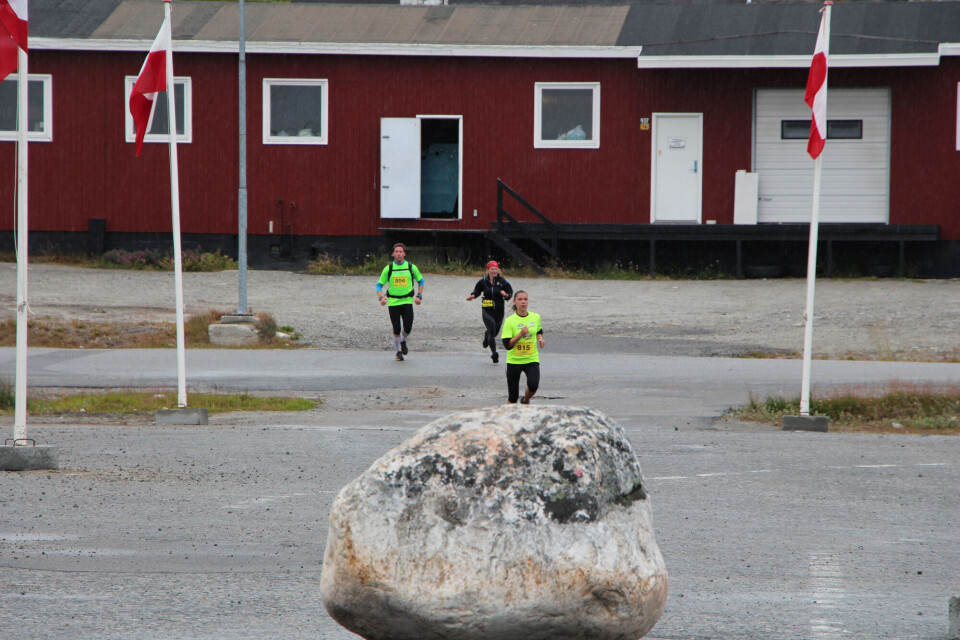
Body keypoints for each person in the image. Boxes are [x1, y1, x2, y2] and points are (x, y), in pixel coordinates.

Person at [376, 243, 424, 361]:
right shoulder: (389, 268)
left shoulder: (411, 267)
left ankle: (403, 340)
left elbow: (421, 281)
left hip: (407, 301)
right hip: (393, 303)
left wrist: (419, 295)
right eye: (396, 251)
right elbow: (379, 285)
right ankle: (398, 352)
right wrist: (381, 297)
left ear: (404, 254)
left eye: (400, 251)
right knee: (396, 328)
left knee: (408, 327)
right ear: (393, 254)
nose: (398, 253)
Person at [500, 290, 544, 404]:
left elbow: (539, 330)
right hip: (514, 360)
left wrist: (540, 339)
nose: (523, 302)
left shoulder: (535, 317)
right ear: (514, 302)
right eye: (520, 299)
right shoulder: (510, 321)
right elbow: (507, 345)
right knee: (513, 398)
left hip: (531, 358)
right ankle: (506, 419)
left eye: (525, 299)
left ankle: (525, 400)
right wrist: (520, 334)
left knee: (533, 386)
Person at [466, 260, 513, 363]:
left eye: (496, 269)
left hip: (499, 310)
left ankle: (486, 337)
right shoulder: (483, 281)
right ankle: (494, 353)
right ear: (488, 270)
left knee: (494, 332)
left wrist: (506, 295)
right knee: (491, 330)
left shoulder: (502, 281)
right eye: (492, 269)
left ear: (498, 270)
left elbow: (510, 292)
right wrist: (472, 296)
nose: (494, 271)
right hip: (487, 309)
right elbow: (477, 291)